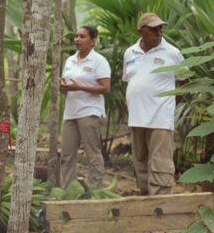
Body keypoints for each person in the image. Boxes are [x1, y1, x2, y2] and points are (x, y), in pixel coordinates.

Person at [123, 13, 184, 195]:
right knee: (140, 162)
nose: (159, 32)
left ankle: (160, 205)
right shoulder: (130, 53)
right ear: (141, 31)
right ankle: (146, 201)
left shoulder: (172, 53)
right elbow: (130, 81)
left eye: (160, 28)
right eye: (153, 29)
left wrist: (170, 105)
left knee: (160, 164)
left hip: (160, 118)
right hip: (136, 117)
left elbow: (185, 82)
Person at [58, 26, 111, 188]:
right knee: (67, 155)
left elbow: (106, 88)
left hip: (90, 111)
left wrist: (79, 87)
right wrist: (63, 87)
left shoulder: (99, 61)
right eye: (76, 36)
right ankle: (68, 190)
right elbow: (67, 84)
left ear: (93, 41)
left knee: (92, 153)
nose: (77, 39)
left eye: (82, 36)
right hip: (70, 113)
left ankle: (95, 189)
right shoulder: (70, 60)